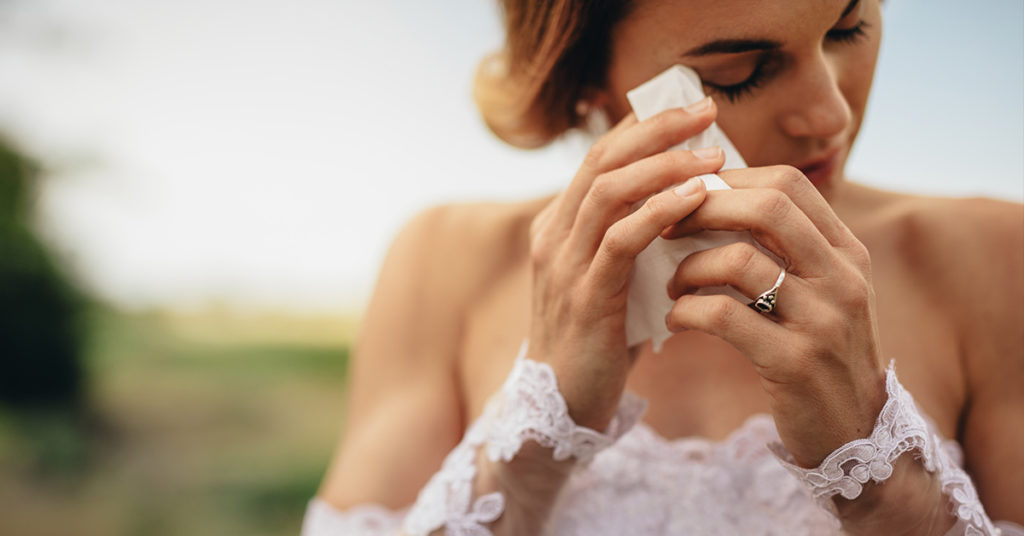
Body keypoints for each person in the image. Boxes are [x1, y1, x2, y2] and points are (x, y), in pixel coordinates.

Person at [303, 0, 1024, 534]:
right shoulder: (445, 260)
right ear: (587, 79)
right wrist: (539, 429)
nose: (829, 114)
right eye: (739, 73)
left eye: (849, 28)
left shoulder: (992, 256)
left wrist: (879, 475)